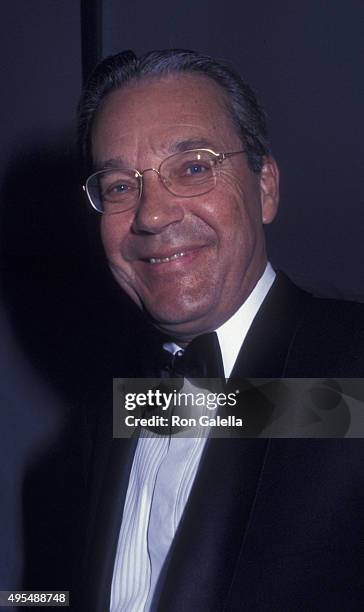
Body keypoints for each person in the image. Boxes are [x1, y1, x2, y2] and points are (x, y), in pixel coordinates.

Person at [76, 49, 364, 611]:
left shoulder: (354, 370)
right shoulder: (108, 416)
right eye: (118, 186)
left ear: (266, 188)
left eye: (193, 167)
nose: (152, 215)